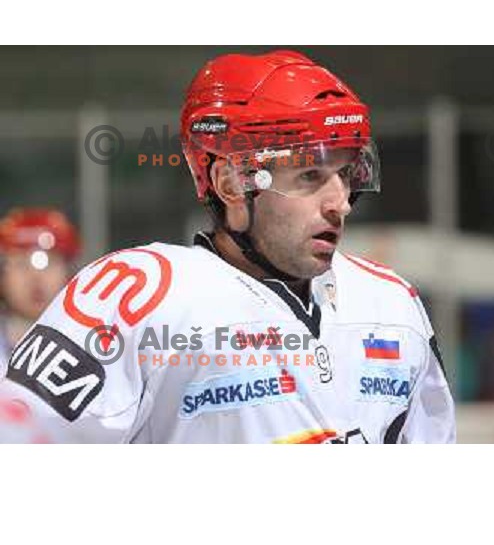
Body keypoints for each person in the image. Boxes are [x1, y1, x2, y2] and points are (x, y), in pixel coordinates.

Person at [0, 50, 455, 443]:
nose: (340, 203)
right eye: (310, 176)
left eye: (346, 174)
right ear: (232, 183)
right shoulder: (137, 297)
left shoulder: (392, 303)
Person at [0, 208, 80, 377]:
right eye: (21, 264)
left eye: (50, 263)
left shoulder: (91, 342)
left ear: (69, 271)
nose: (35, 277)